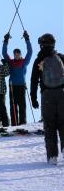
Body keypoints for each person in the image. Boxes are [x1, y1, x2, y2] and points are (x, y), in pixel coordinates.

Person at [30, 33, 64, 165]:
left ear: (42, 44)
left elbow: (33, 80)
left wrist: (33, 98)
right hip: (62, 94)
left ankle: (52, 157)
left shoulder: (39, 60)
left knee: (49, 126)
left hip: (47, 95)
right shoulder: (60, 57)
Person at [2, 30, 33, 126]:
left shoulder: (24, 62)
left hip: (21, 86)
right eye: (15, 54)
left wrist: (27, 39)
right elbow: (4, 53)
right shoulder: (11, 63)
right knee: (13, 105)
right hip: (12, 86)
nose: (16, 55)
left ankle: (23, 123)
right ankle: (14, 124)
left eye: (17, 54)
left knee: (22, 105)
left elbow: (30, 51)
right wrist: (5, 41)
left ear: (20, 54)